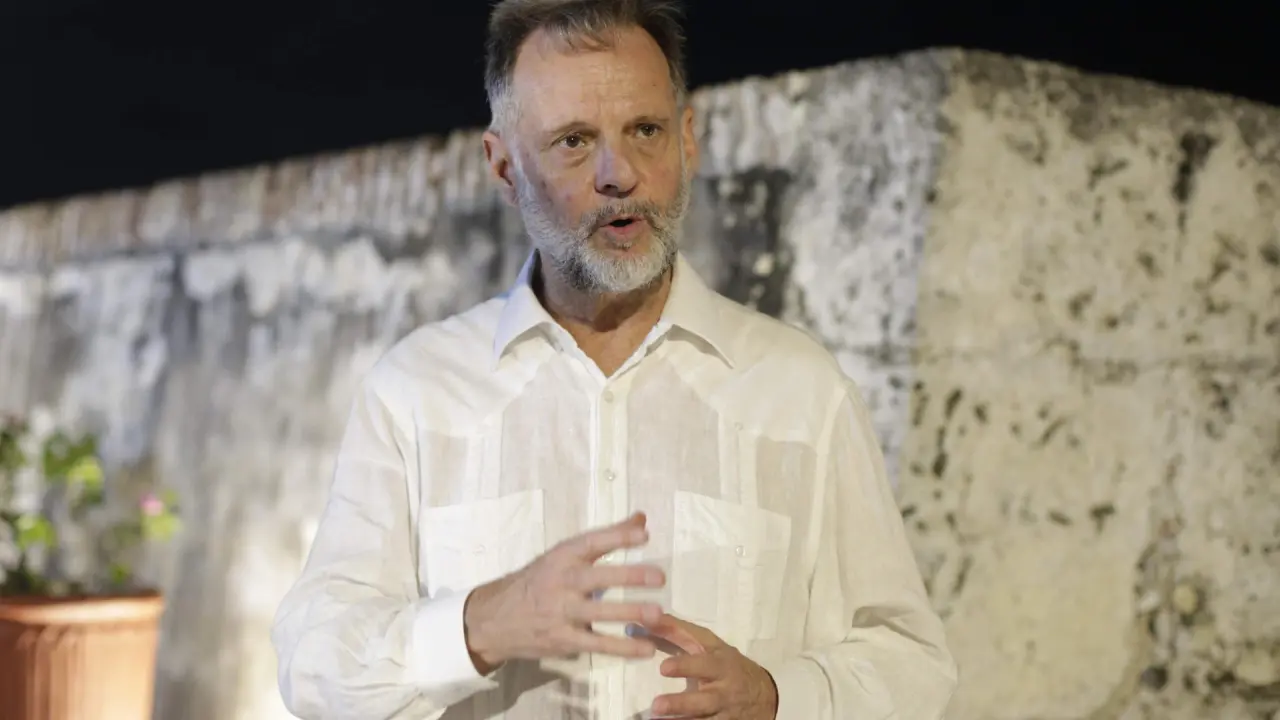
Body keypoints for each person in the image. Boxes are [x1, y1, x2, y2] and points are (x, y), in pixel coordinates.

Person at [270, 0, 957, 717]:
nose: (619, 173)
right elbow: (314, 665)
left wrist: (777, 698)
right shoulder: (416, 392)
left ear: (687, 140)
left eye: (646, 131)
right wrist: (480, 624)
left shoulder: (799, 392)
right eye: (573, 141)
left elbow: (912, 662)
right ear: (504, 168)